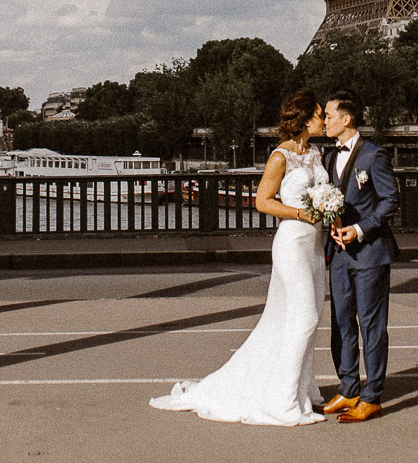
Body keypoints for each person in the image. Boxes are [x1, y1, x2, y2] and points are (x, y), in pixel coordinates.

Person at [149, 89, 330, 426]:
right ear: (304, 118)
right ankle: (284, 401)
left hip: (314, 248)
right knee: (303, 316)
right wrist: (300, 213)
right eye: (320, 114)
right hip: (292, 243)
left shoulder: (317, 153)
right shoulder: (281, 157)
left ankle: (300, 389)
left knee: (303, 318)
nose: (325, 119)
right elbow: (263, 201)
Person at [321, 88, 399, 424]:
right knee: (341, 322)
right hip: (338, 254)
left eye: (328, 116)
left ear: (346, 119)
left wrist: (361, 229)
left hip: (369, 252)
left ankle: (372, 396)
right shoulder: (327, 156)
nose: (323, 121)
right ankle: (348, 385)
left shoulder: (373, 156)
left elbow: (390, 200)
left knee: (371, 325)